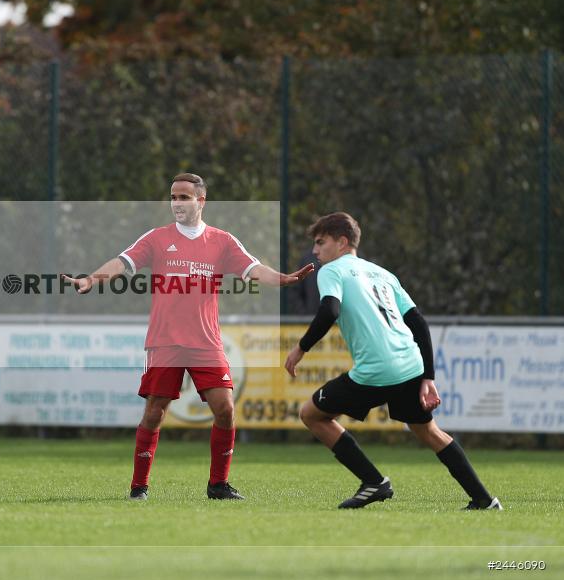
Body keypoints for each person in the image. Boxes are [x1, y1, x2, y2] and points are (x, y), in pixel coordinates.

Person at [63, 173, 314, 501]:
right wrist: (92, 279)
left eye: (184, 197)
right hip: (165, 341)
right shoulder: (157, 238)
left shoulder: (222, 241)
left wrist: (282, 279)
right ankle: (139, 487)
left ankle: (218, 485)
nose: (177, 203)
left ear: (201, 201)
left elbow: (253, 269)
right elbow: (122, 263)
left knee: (225, 409)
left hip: (206, 342)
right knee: (155, 411)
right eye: (173, 197)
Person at [285, 212, 501, 510]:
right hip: (410, 364)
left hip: (376, 369)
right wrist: (428, 376)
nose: (315, 250)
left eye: (321, 242)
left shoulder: (331, 270)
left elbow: (329, 310)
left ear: (342, 242)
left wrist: (301, 348)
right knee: (429, 432)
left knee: (312, 414)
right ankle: (484, 499)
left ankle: (374, 482)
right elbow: (418, 322)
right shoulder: (382, 273)